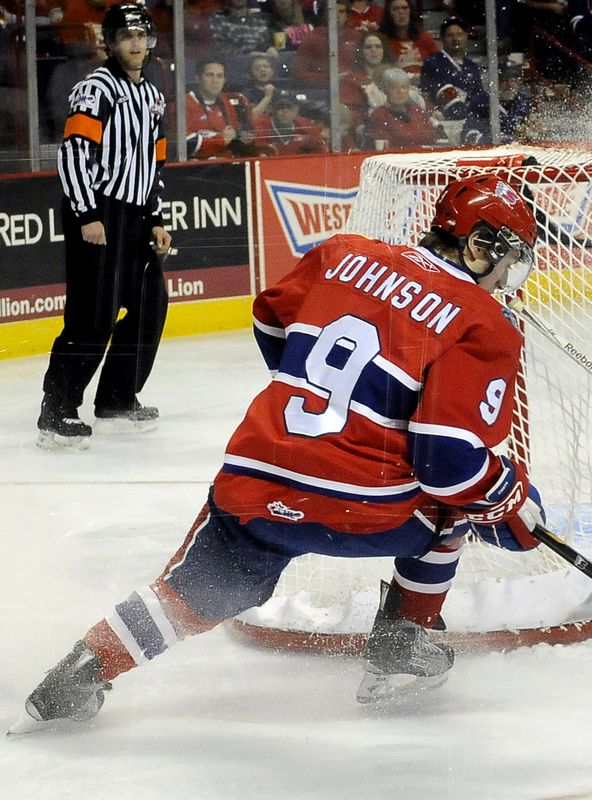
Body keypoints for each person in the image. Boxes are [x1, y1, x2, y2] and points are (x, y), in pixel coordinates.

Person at [14, 174, 546, 728]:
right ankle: (402, 643)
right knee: (457, 506)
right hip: (365, 510)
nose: (508, 278)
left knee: (193, 590)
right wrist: (507, 500)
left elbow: (269, 316)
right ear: (480, 244)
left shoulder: (342, 252)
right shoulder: (485, 322)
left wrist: (308, 395)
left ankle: (85, 667)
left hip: (259, 478)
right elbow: (448, 462)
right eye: (510, 260)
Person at [38, 3, 172, 449]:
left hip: (136, 215)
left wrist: (155, 216)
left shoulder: (153, 96)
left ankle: (116, 395)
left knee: (149, 305)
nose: (135, 43)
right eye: (125, 36)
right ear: (111, 43)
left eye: (141, 35)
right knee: (93, 314)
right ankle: (57, 408)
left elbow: (155, 161)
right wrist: (86, 213)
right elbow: (75, 151)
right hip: (100, 211)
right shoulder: (96, 89)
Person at [184, 57, 260, 159]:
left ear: (224, 80)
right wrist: (220, 140)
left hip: (226, 162)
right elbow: (182, 143)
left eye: (219, 76)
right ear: (197, 78)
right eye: (209, 75)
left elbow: (232, 139)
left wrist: (242, 139)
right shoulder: (183, 103)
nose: (215, 80)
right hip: (196, 167)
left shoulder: (226, 102)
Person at [419, 17, 484, 120]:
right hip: (443, 118)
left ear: (466, 36)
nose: (455, 39)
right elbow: (425, 94)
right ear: (442, 38)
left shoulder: (472, 66)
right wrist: (433, 112)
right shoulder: (432, 63)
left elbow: (478, 95)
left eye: (459, 34)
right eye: (450, 35)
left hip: (469, 119)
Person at [365, 67, 443, 149]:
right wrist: (416, 138)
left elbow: (432, 136)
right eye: (393, 88)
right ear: (385, 90)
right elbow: (385, 146)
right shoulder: (379, 115)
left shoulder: (416, 110)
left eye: (403, 87)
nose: (400, 92)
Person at [462, 60, 536, 145]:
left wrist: (533, 131)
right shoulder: (480, 101)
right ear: (496, 82)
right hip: (491, 152)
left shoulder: (523, 101)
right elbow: (469, 134)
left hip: (517, 151)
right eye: (504, 80)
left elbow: (532, 130)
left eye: (513, 80)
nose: (509, 85)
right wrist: (495, 140)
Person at [253, 90, 328, 155]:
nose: (285, 111)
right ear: (273, 109)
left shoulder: (305, 126)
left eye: (289, 107)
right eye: (280, 107)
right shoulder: (261, 126)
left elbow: (320, 150)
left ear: (296, 110)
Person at [378, 0, 438, 77]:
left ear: (411, 12)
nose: (401, 12)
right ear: (388, 14)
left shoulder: (424, 36)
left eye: (405, 8)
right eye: (395, 9)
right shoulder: (381, 40)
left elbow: (438, 63)